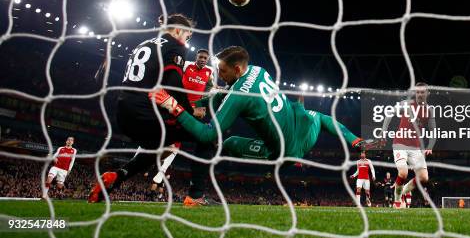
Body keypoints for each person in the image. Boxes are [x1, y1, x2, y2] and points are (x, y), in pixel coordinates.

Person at [149, 46, 376, 161]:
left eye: (223, 71)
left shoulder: (239, 95)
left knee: (226, 141)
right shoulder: (258, 69)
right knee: (322, 117)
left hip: (284, 152)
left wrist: (174, 106)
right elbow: (224, 93)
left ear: (237, 69)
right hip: (303, 132)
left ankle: (198, 188)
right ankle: (356, 141)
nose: (218, 74)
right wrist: (207, 99)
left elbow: (207, 134)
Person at [88, 14, 209, 206]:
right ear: (178, 30)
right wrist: (190, 111)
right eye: (187, 36)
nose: (187, 40)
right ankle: (195, 196)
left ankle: (116, 178)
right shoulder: (175, 46)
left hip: (123, 114)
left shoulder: (144, 44)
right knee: (207, 137)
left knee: (164, 148)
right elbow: (174, 86)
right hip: (146, 115)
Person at [381, 83, 434, 208]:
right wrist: (383, 132)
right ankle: (398, 201)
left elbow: (433, 130)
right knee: (403, 173)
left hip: (416, 148)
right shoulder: (407, 103)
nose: (420, 94)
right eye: (418, 92)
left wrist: (430, 146)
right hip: (400, 143)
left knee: (424, 178)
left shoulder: (429, 110)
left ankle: (401, 192)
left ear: (427, 94)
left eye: (422, 92)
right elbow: (390, 113)